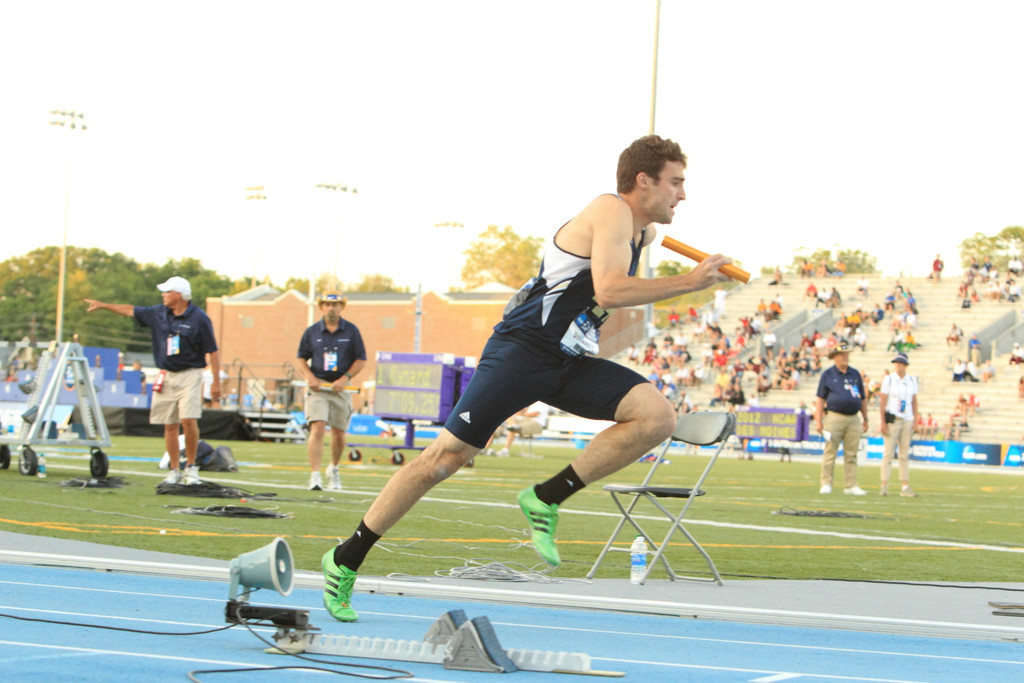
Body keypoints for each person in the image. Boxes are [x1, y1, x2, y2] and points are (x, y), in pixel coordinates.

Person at [318, 134, 733, 622]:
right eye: (676, 183)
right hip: (522, 351)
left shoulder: (639, 234)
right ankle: (346, 558)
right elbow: (611, 289)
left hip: (567, 360)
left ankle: (545, 497)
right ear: (643, 181)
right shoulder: (609, 209)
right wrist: (691, 282)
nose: (682, 195)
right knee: (443, 460)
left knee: (656, 417)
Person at [85, 276, 220, 485]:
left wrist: (217, 382)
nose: (163, 294)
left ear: (180, 295)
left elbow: (213, 350)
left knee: (188, 419)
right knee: (169, 423)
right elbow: (130, 310)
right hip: (165, 373)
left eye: (167, 291)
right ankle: (175, 469)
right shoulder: (158, 313)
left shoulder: (199, 318)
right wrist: (104, 306)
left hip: (191, 373)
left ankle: (191, 467)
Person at [294, 291, 367, 491]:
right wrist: (309, 376)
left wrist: (345, 378)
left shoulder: (351, 331)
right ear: (321, 307)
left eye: (335, 305)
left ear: (341, 307)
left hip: (340, 388)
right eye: (326, 304)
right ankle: (315, 475)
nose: (331, 308)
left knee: (339, 434)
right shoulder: (312, 332)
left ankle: (333, 468)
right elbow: (300, 357)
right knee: (317, 427)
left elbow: (361, 358)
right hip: (318, 386)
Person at [813, 343, 868, 495]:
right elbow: (820, 398)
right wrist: (819, 420)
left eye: (847, 354)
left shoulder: (855, 374)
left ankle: (850, 485)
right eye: (842, 354)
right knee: (830, 451)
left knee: (852, 453)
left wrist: (865, 418)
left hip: (853, 418)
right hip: (834, 416)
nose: (845, 357)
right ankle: (826, 482)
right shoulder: (828, 375)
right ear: (835, 357)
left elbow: (862, 397)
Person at [879, 353, 919, 497]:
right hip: (893, 419)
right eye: (896, 363)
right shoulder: (889, 379)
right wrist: (882, 422)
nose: (898, 365)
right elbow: (883, 400)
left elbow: (914, 400)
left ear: (905, 365)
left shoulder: (912, 380)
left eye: (901, 363)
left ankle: (905, 485)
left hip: (907, 419)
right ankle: (884, 485)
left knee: (904, 455)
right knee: (888, 454)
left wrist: (915, 419)